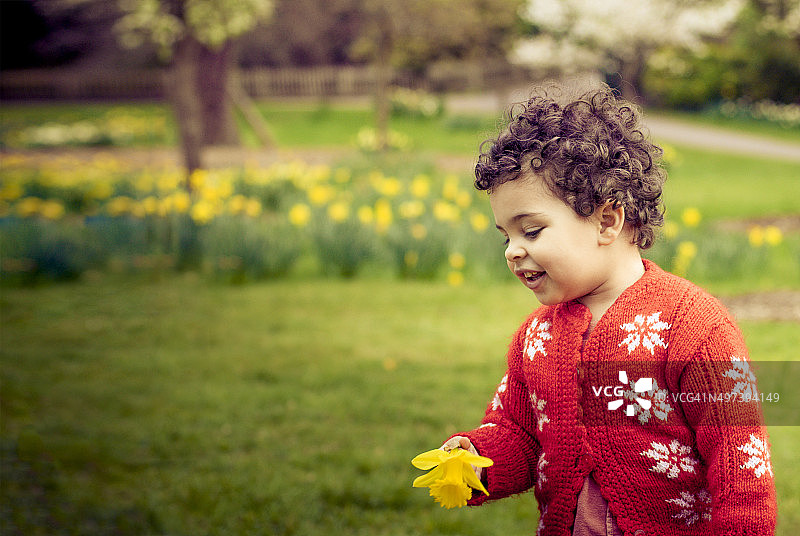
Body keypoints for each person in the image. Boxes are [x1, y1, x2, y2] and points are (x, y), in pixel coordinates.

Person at [434, 85, 777, 535]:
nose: (513, 251)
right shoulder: (535, 339)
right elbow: (518, 434)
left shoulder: (693, 328)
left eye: (531, 231)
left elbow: (740, 469)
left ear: (607, 221)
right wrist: (475, 461)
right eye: (506, 236)